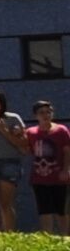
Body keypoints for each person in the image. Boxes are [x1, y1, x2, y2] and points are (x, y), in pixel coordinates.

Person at [0, 87, 33, 233]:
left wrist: (3, 130)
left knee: (5, 202)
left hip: (9, 162)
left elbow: (23, 144)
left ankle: (8, 233)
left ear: (2, 104)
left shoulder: (13, 118)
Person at [28, 98, 70, 236]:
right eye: (42, 112)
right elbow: (23, 147)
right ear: (36, 116)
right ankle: (48, 237)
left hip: (58, 177)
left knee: (61, 208)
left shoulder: (61, 131)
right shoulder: (31, 132)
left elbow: (67, 151)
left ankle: (65, 236)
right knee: (44, 209)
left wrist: (66, 169)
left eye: (48, 112)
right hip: (39, 178)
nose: (45, 115)